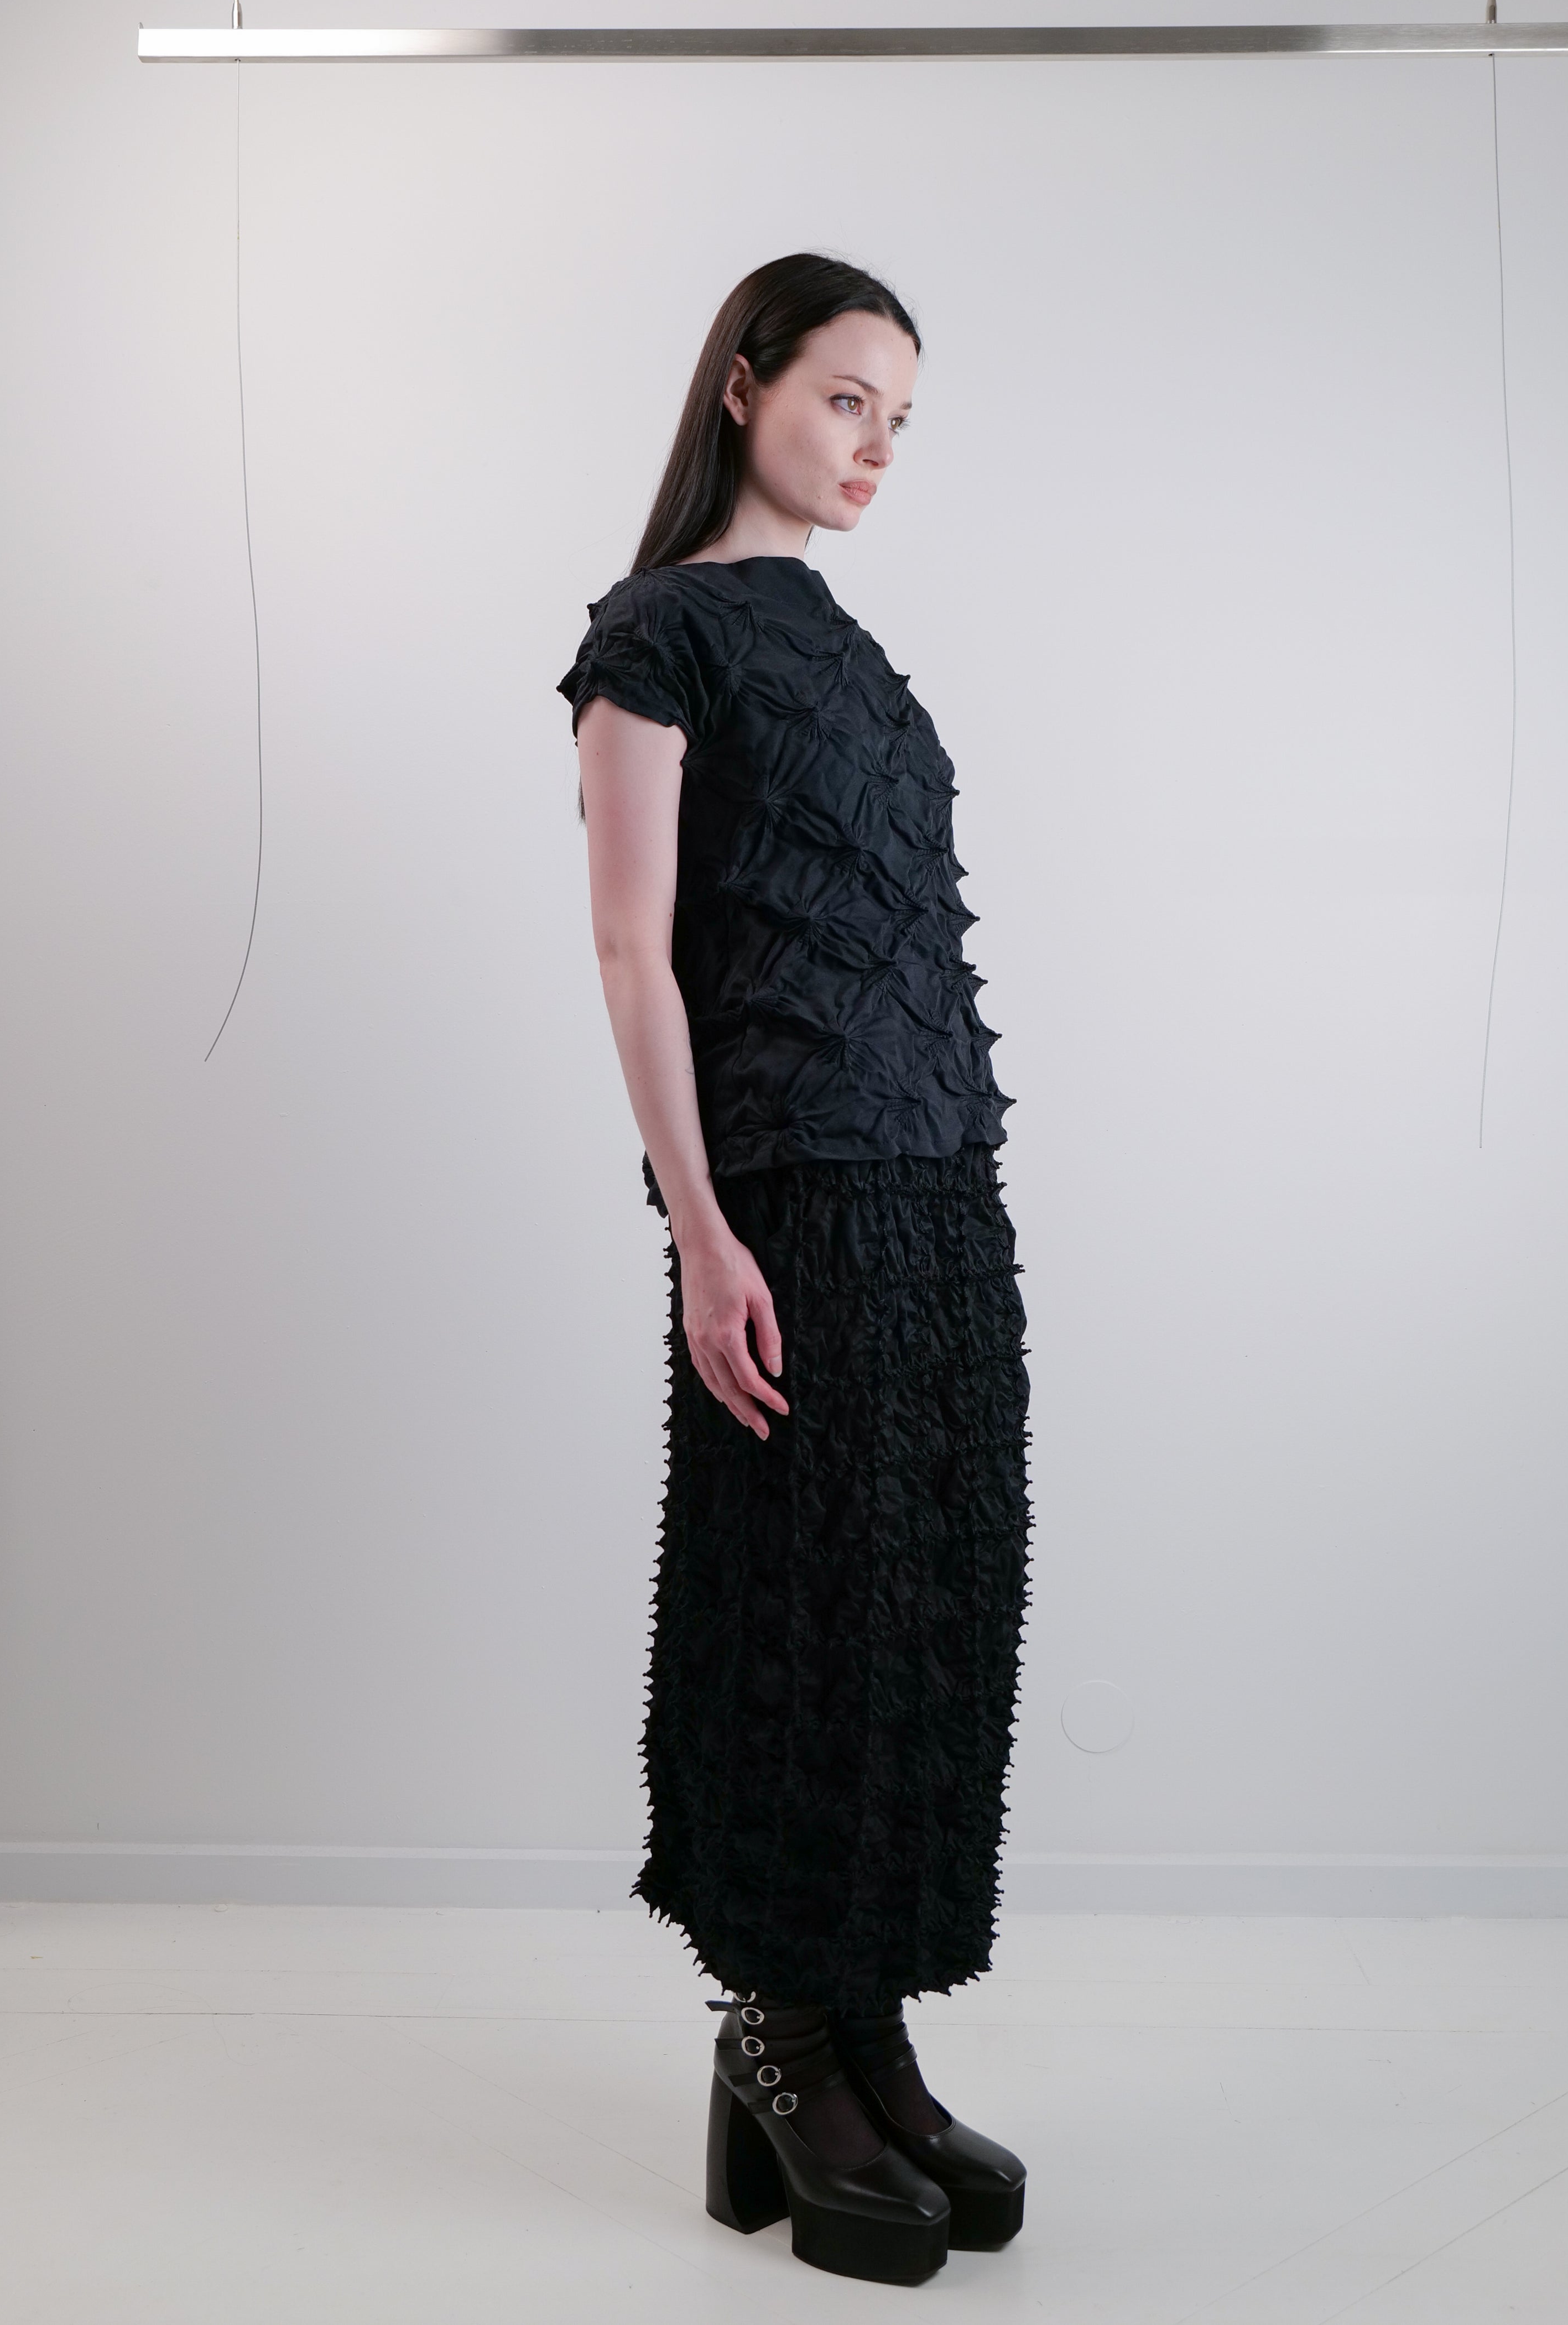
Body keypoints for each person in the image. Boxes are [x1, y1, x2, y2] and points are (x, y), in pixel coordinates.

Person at [559, 252, 1030, 2286]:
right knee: (808, 1610)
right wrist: (700, 1227)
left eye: (899, 420)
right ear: (746, 384)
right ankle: (778, 2036)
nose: (875, 447)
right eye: (848, 398)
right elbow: (631, 949)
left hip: (938, 1179)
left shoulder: (846, 641)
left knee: (930, 1606)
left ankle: (869, 2035)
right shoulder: (656, 634)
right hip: (794, 1195)